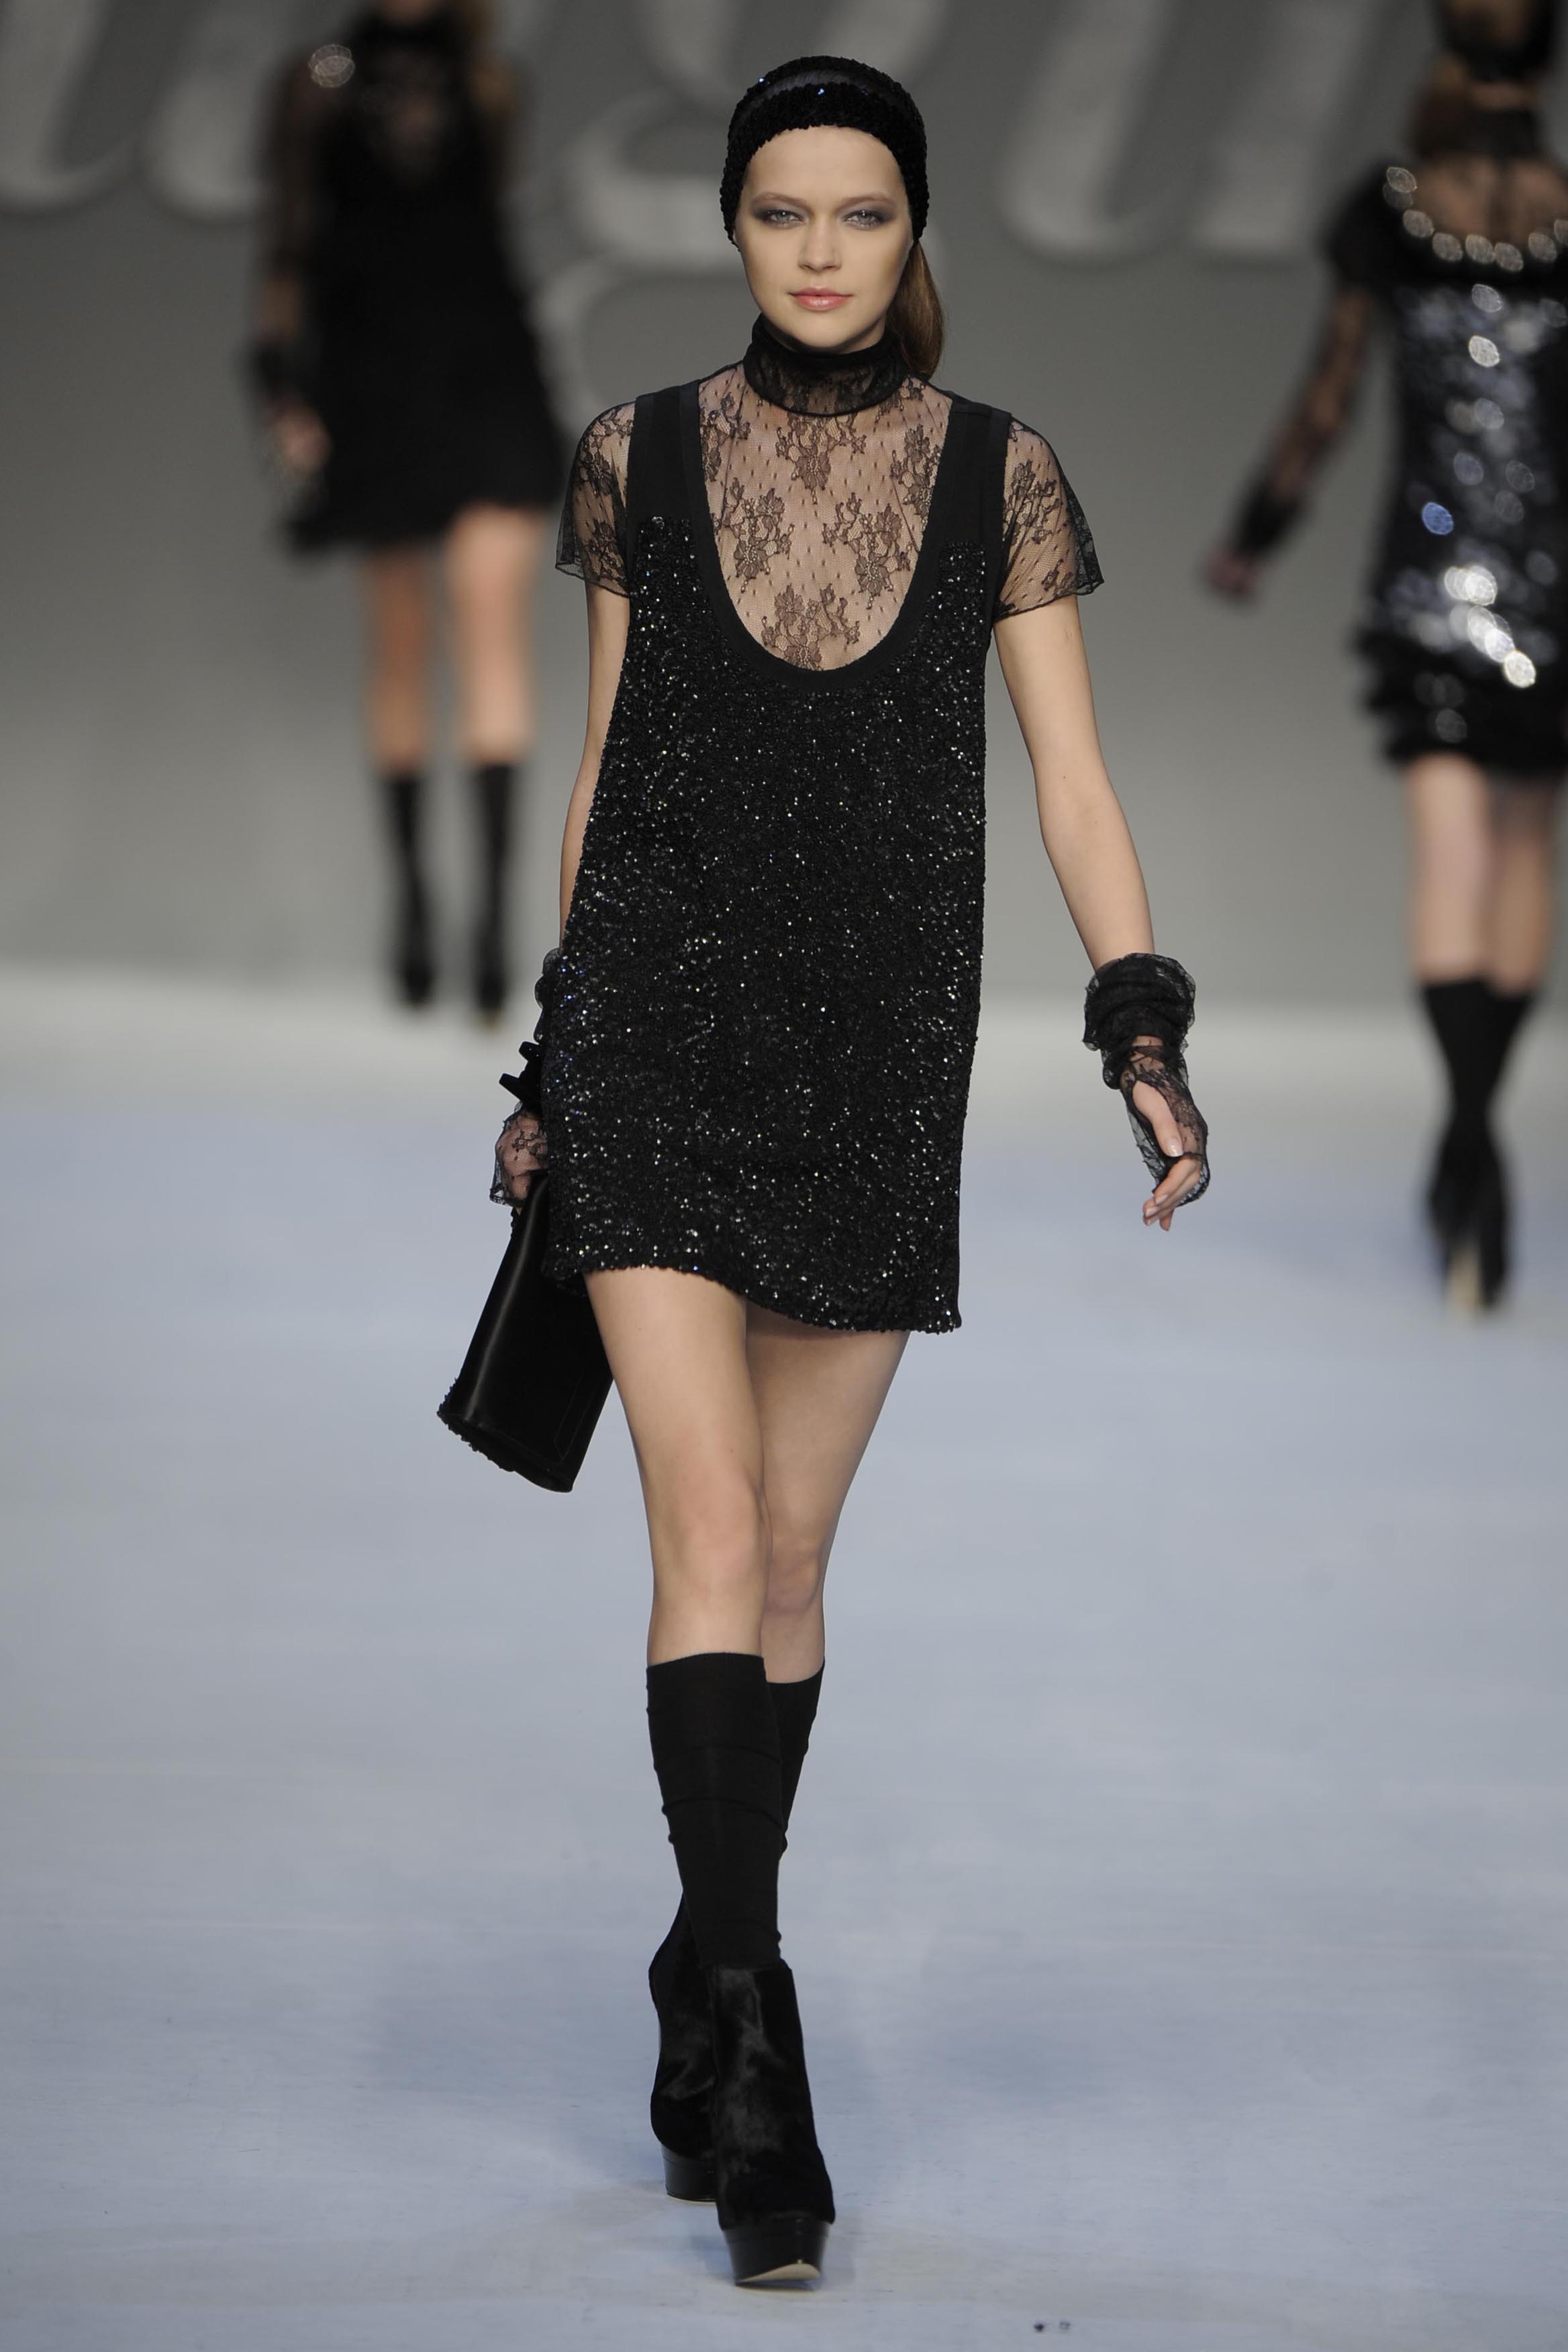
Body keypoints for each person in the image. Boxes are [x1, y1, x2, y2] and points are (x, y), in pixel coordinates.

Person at [489, 56, 1210, 2289]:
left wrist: (1138, 1024)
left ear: (913, 231)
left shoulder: (1002, 474)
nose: (819, 250)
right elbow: (606, 771)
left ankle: (700, 1954)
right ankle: (756, 2035)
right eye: (782, 211)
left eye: (861, 212)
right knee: (708, 1529)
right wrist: (556, 1058)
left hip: (878, 1061)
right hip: (659, 1045)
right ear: (732, 227)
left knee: (791, 1557)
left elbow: (1072, 780)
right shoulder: (638, 456)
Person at [1207, 0, 1565, 1310]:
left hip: (1429, 584)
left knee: (1453, 855)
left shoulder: (1394, 211)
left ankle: (1466, 1148)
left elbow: (1330, 393)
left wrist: (1257, 530)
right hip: (1555, 591)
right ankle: (1475, 1144)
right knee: (1522, 852)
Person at [250, 0, 564, 1018]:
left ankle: (494, 920)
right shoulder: (315, 86)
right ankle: (418, 902)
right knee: (398, 638)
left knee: (488, 626)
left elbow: (483, 228)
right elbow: (289, 242)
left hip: (485, 374)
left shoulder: (489, 84)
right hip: (370, 380)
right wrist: (280, 387)